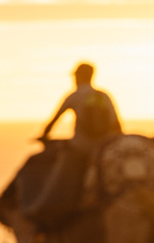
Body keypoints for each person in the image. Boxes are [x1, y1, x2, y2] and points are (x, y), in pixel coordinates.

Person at [25, 61, 124, 230]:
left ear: (79, 76)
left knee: (59, 176)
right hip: (105, 148)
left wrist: (44, 135)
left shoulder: (74, 96)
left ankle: (45, 213)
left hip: (81, 148)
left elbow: (54, 120)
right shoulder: (103, 96)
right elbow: (117, 125)